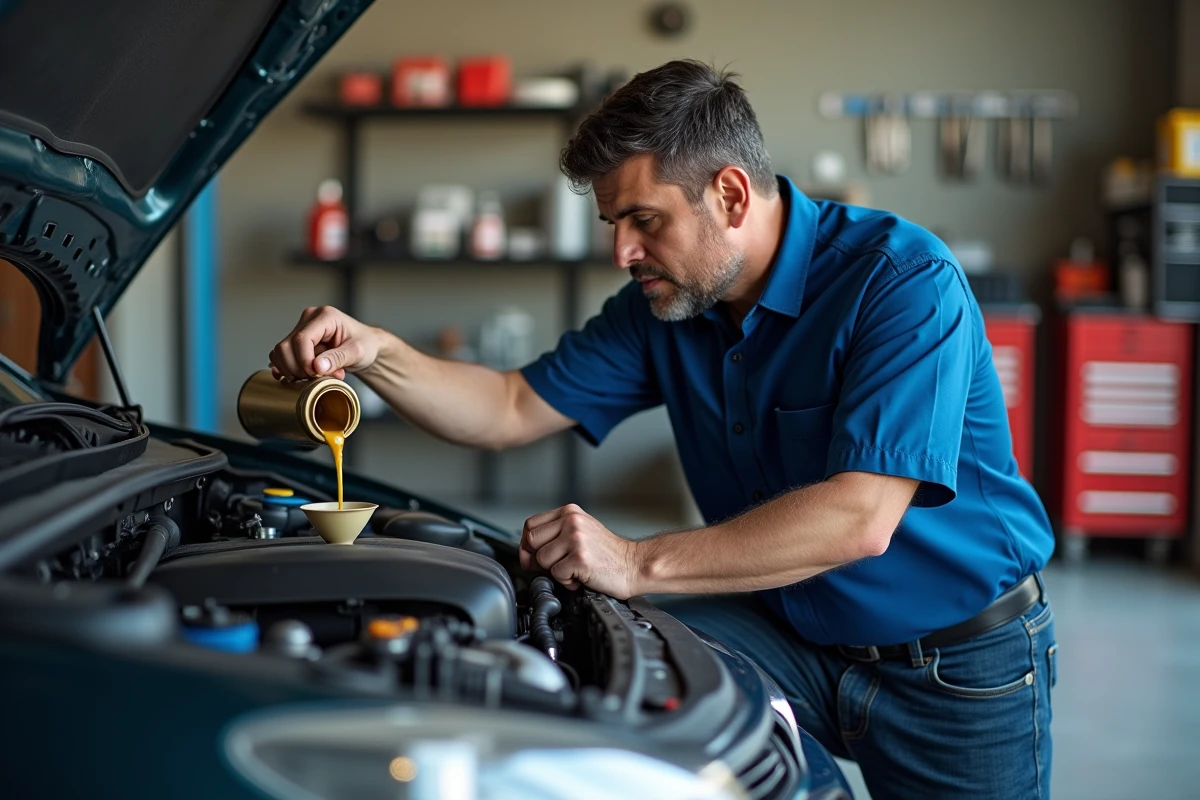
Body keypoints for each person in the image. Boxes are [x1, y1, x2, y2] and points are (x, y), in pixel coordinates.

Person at [269, 60, 1056, 800]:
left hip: (955, 663)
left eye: (643, 220)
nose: (621, 251)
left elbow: (859, 518)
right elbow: (509, 406)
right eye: (613, 223)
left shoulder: (900, 283)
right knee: (625, 657)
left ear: (731, 195)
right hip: (786, 631)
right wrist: (378, 353)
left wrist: (635, 559)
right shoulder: (665, 306)